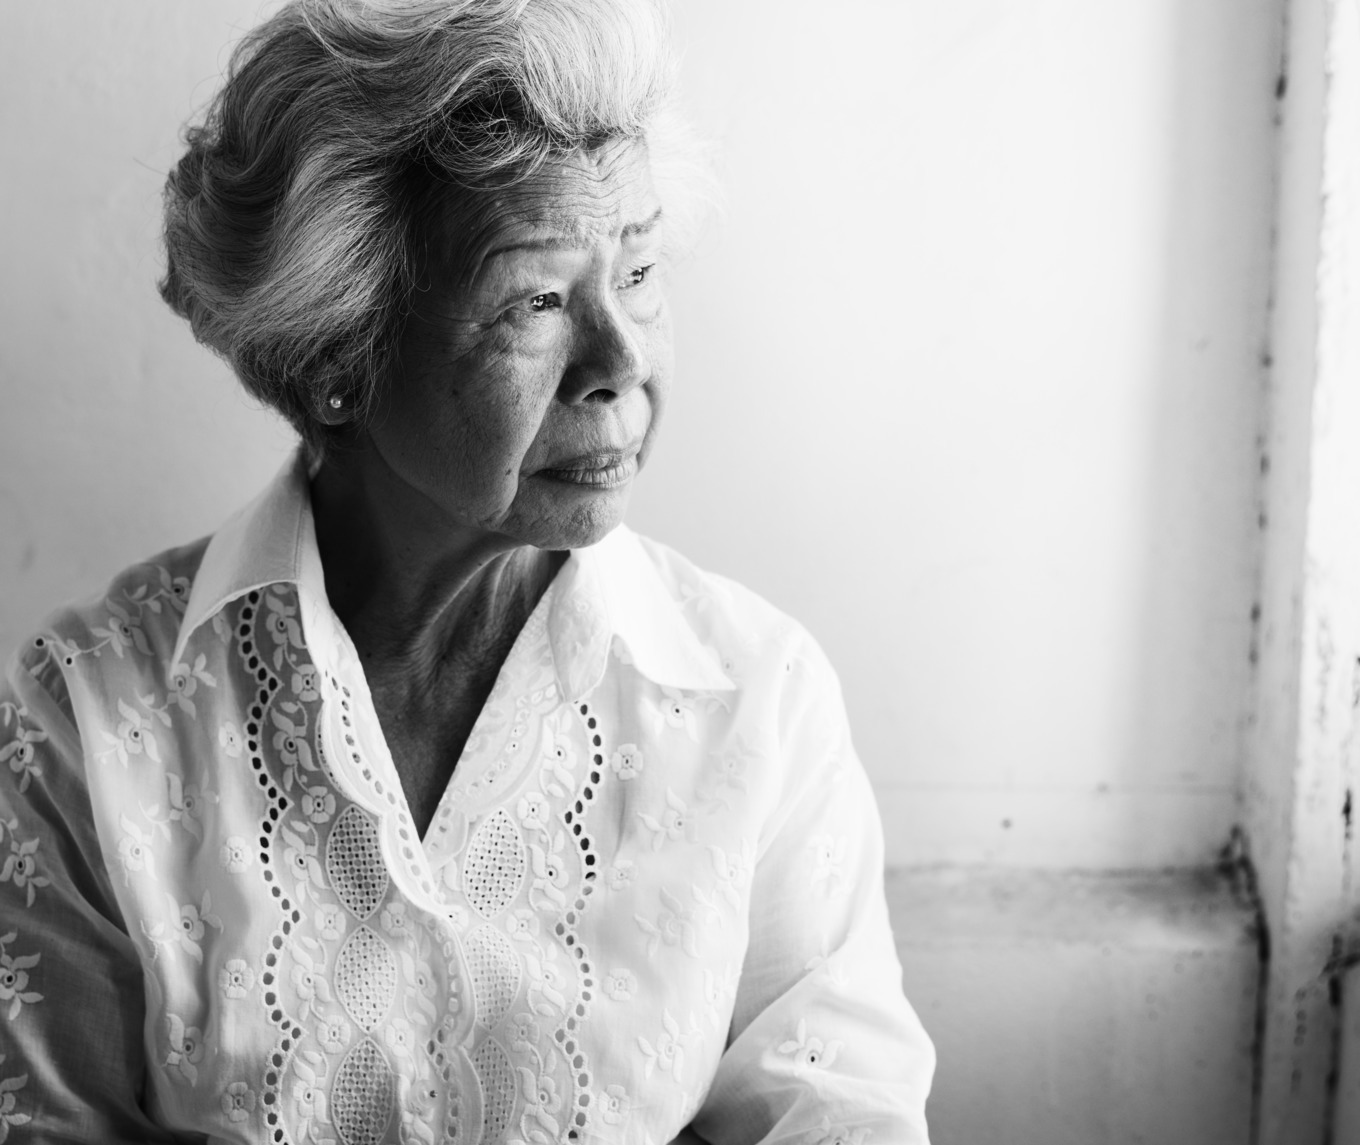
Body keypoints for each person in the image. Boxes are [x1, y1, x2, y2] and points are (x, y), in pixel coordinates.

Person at [0, 1, 934, 1141]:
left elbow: (841, 1110)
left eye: (640, 269)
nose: (620, 358)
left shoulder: (757, 700)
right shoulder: (88, 720)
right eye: (536, 300)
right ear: (338, 356)